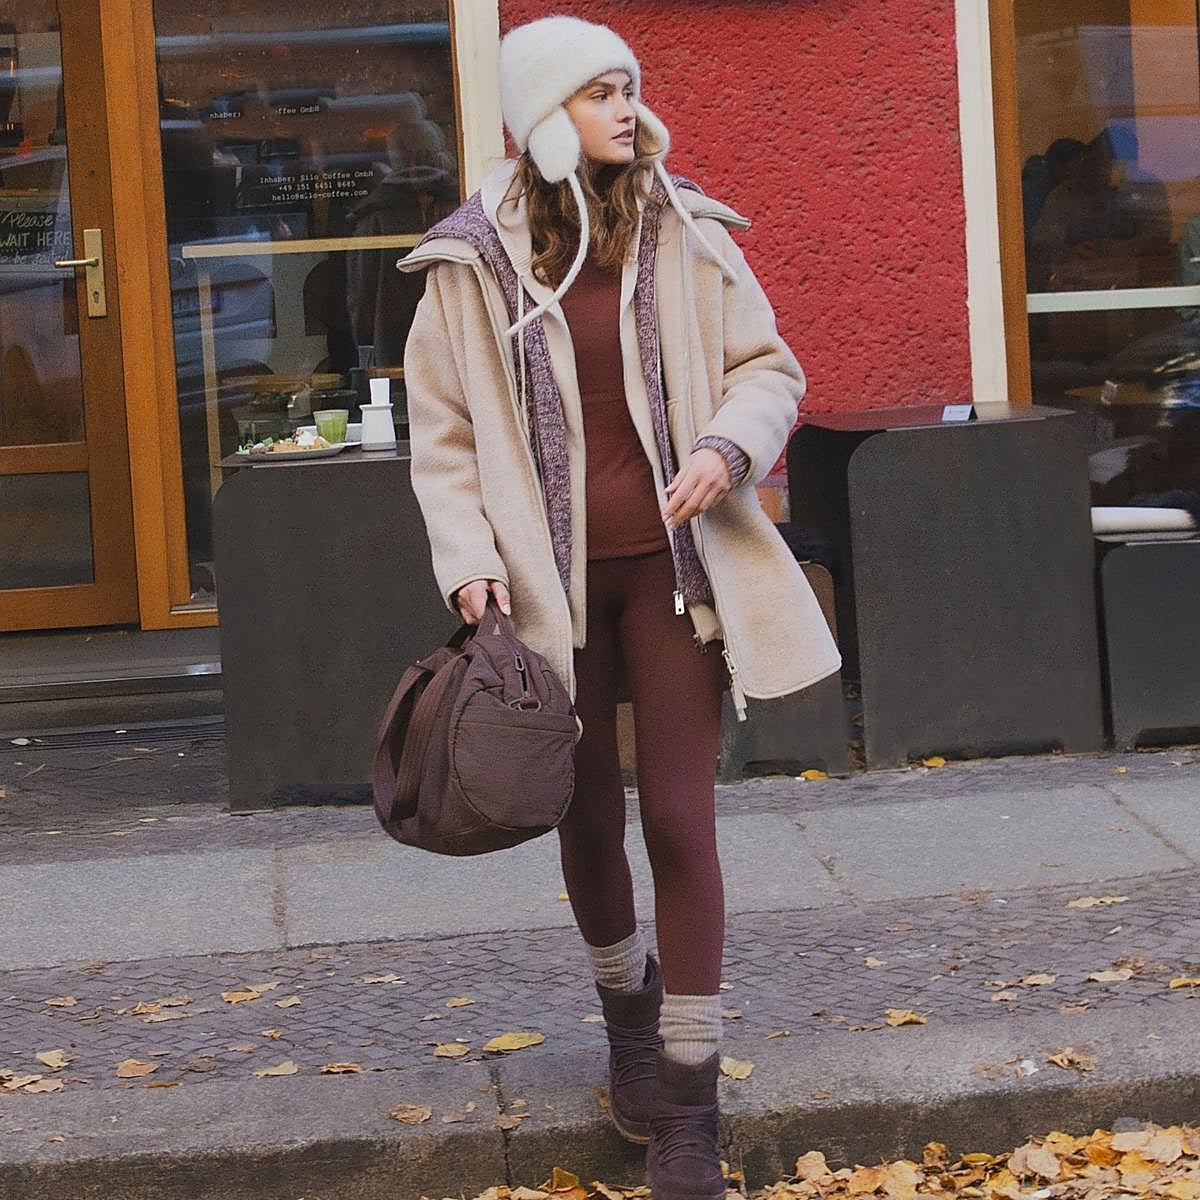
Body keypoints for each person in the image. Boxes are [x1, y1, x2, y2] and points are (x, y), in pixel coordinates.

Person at [398, 17, 839, 1198]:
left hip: (675, 573)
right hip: (552, 594)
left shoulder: (683, 228)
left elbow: (770, 368)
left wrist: (727, 446)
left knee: (681, 825)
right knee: (584, 820)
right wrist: (468, 562)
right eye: (600, 92)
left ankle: (689, 1098)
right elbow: (439, 438)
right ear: (543, 116)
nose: (627, 108)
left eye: (632, 88)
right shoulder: (472, 260)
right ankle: (628, 1024)